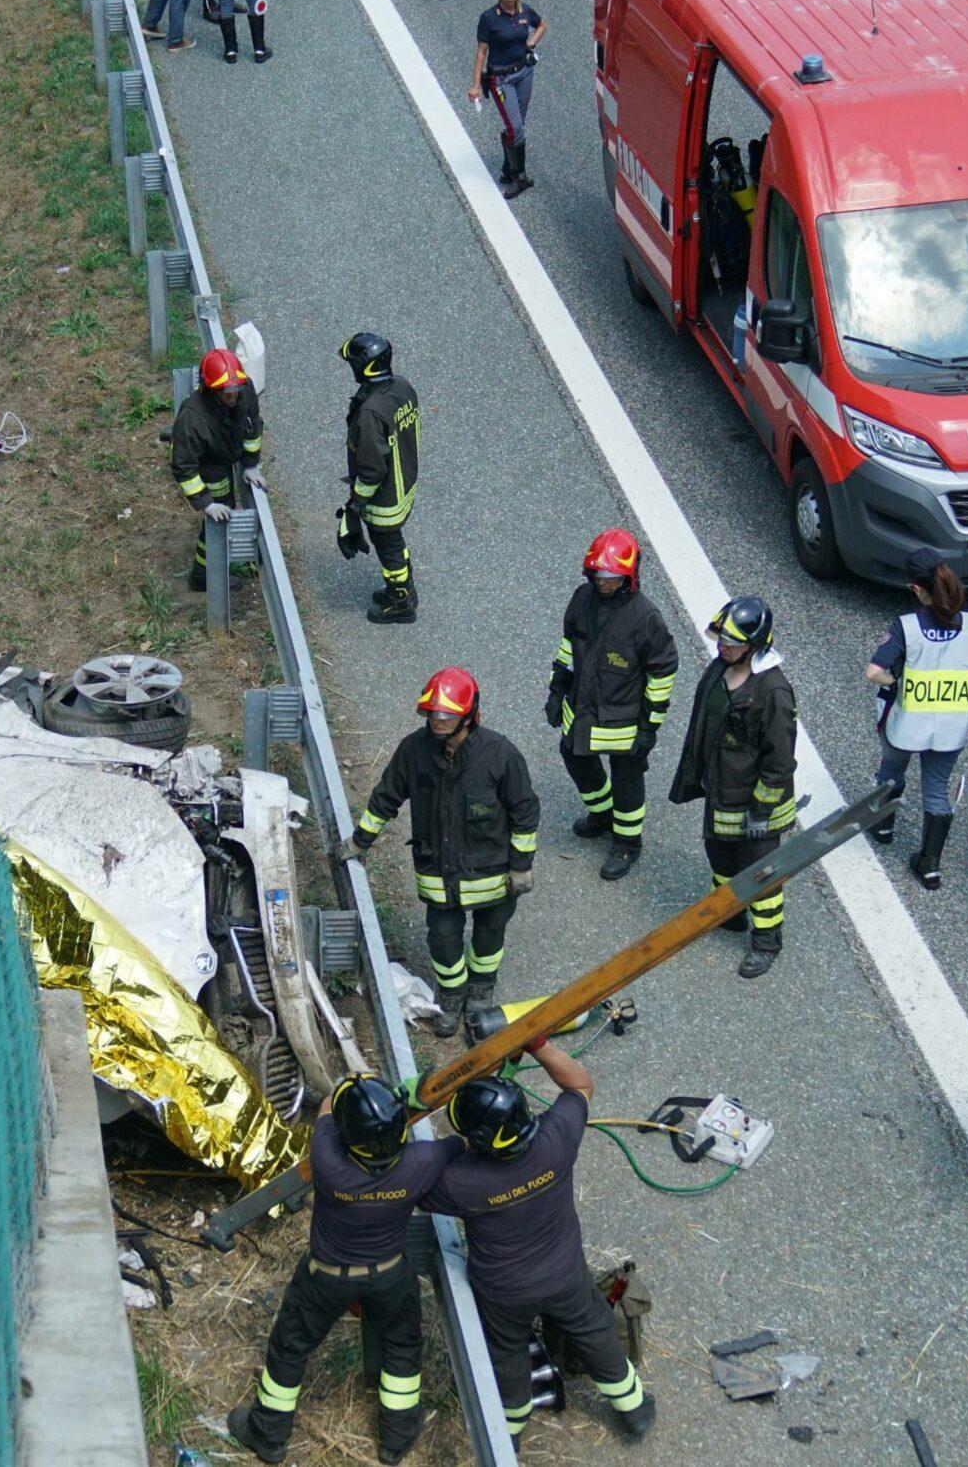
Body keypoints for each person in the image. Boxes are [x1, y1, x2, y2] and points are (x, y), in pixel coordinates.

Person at [422, 1040, 657, 1447]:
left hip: (503, 1292)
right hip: (564, 1274)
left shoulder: (460, 1183)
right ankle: (633, 1409)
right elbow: (580, 1086)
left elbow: (414, 1179)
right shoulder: (555, 1142)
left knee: (507, 1351)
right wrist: (540, 1045)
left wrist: (456, 1145)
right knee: (594, 1329)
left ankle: (509, 1431)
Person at [227, 1075, 454, 1465]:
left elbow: (328, 1106)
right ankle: (395, 1440)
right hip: (390, 1274)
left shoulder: (328, 1160)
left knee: (291, 1347)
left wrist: (346, 1083)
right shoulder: (424, 1161)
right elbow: (458, 1140)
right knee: (401, 1345)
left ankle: (268, 1434)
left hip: (326, 1277)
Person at [340, 668, 539, 1035]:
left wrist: (521, 866)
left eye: (446, 715)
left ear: (468, 716)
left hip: (493, 875)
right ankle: (450, 996)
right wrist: (359, 841)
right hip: (439, 873)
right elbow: (386, 798)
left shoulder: (500, 754)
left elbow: (524, 810)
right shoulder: (414, 751)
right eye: (432, 714)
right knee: (443, 938)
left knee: (489, 934)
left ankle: (481, 991)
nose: (437, 721)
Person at [669, 597, 797, 979]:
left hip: (756, 805)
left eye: (733, 643)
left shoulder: (773, 692)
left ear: (755, 646)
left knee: (761, 874)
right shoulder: (719, 670)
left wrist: (761, 809)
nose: (723, 647)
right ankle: (730, 914)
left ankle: (766, 941)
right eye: (721, 640)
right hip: (722, 793)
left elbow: (780, 760)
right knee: (720, 858)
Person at [548, 529, 678, 882]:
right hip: (583, 708)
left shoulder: (646, 619)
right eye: (598, 576)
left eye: (610, 577)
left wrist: (650, 729)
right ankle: (603, 814)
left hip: (624, 720)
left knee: (627, 780)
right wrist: (557, 690)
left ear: (628, 577)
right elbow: (568, 648)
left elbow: (662, 674)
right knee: (574, 756)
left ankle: (627, 842)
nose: (603, 583)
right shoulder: (582, 599)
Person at [863, 548, 968, 892]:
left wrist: (898, 682)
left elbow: (874, 672)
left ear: (918, 589)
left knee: (892, 771)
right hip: (951, 726)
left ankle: (884, 826)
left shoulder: (907, 626)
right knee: (937, 790)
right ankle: (930, 865)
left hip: (906, 725)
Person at [337, 332, 420, 624]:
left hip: (384, 496)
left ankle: (400, 602)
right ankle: (406, 588)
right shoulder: (402, 387)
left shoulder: (370, 413)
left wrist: (355, 505)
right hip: (405, 482)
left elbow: (372, 469)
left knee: (387, 544)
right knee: (395, 540)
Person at [168, 346, 262, 592]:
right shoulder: (193, 418)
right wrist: (206, 502)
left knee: (225, 510)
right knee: (221, 514)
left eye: (235, 390)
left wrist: (251, 465)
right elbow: (184, 467)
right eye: (226, 393)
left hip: (228, 449)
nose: (233, 396)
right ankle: (203, 575)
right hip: (209, 463)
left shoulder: (244, 389)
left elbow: (253, 428)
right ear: (211, 390)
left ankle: (207, 569)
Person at [467, 0, 544, 198]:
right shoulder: (489, 18)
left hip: (523, 74)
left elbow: (541, 25)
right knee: (516, 128)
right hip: (500, 79)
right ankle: (519, 177)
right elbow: (482, 53)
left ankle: (506, 169)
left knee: (516, 124)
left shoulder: (525, 11)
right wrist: (475, 84)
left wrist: (531, 42)